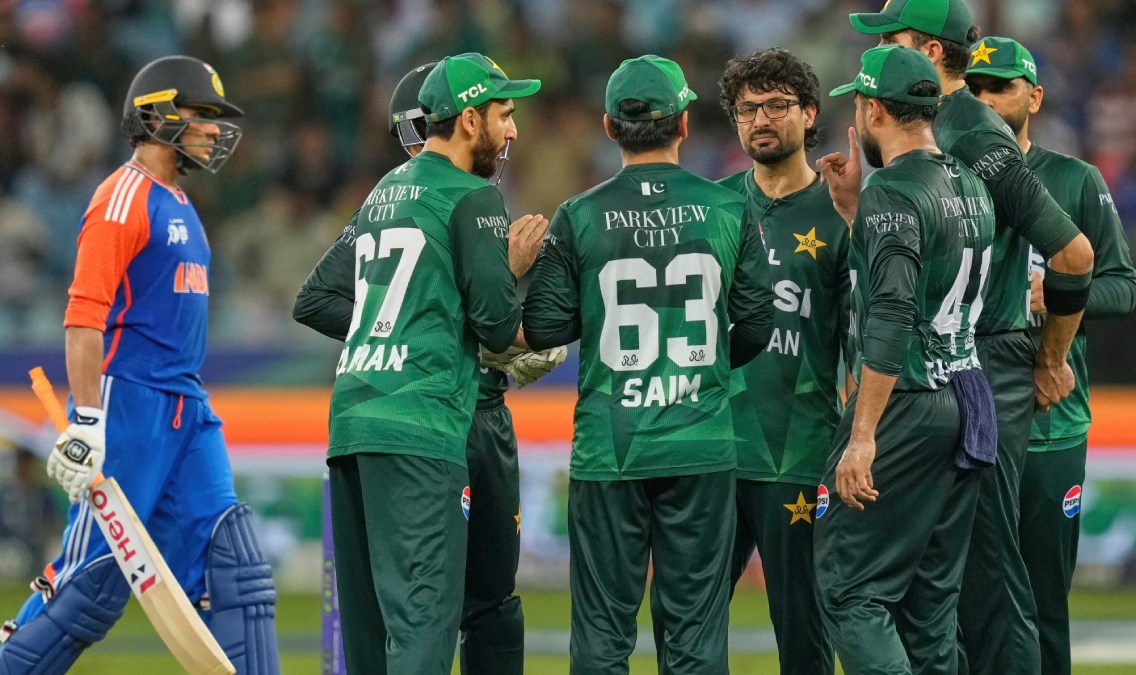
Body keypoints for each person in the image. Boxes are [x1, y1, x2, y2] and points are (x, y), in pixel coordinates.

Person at [0, 56, 280, 674]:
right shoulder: (122, 196)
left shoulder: (179, 202)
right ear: (156, 117)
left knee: (235, 572)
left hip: (187, 408)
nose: (214, 128)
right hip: (129, 405)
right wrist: (88, 421)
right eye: (201, 113)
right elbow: (84, 316)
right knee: (89, 587)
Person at [847, 2, 1096, 671]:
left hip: (983, 355)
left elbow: (1073, 255)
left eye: (892, 39)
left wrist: (1051, 359)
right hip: (949, 365)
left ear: (930, 51)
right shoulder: (941, 127)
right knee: (940, 584)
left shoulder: (975, 134)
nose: (879, 49)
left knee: (988, 572)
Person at [293, 61, 562, 675]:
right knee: (426, 622)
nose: (513, 131)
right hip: (425, 422)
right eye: (505, 115)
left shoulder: (385, 190)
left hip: (354, 420)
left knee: (369, 632)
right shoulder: (474, 196)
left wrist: (405, 325)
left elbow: (314, 299)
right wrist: (513, 273)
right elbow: (498, 327)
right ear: (469, 120)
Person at [523, 54, 775, 675]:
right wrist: (708, 371)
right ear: (684, 123)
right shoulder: (728, 208)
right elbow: (759, 323)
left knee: (602, 634)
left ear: (609, 128)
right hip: (701, 442)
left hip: (610, 446)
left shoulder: (578, 216)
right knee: (695, 636)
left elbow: (545, 330)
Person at [813, 44, 995, 675]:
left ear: (872, 110)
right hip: (967, 397)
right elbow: (929, 273)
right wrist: (853, 213)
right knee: (929, 604)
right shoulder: (970, 183)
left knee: (850, 589)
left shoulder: (892, 189)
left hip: (907, 400)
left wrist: (862, 435)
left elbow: (891, 313)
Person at [965, 36, 1136, 675]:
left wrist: (1064, 292)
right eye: (975, 89)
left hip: (1049, 422)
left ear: (1034, 97)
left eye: (1000, 87)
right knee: (963, 606)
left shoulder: (1075, 179)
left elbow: (1122, 286)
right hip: (963, 418)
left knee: (1041, 604)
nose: (985, 100)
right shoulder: (945, 181)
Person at [714, 47, 849, 675]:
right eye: (747, 110)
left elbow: (871, 332)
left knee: (804, 636)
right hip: (710, 448)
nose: (760, 120)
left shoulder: (843, 211)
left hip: (800, 453)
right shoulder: (709, 206)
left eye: (776, 105)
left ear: (809, 113)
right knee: (687, 625)